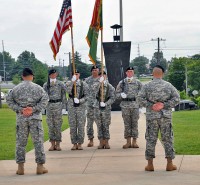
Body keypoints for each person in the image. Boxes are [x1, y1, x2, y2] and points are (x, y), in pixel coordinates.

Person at [137, 65, 180, 171]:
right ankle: (169, 164)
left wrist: (151, 105)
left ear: (153, 74)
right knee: (168, 139)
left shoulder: (147, 86)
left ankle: (150, 164)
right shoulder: (168, 85)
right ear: (163, 74)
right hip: (165, 117)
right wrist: (164, 105)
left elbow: (139, 98)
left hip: (152, 117)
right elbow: (177, 98)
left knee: (151, 139)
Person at [6, 68, 48, 175]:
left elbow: (9, 100)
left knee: (20, 143)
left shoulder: (16, 89)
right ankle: (40, 166)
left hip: (21, 118)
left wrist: (20, 109)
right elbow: (45, 100)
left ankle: (20, 168)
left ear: (22, 76)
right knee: (38, 142)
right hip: (35, 118)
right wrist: (33, 109)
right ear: (32, 76)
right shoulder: (38, 88)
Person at [116, 67, 143, 149]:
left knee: (134, 123)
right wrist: (121, 95)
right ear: (126, 73)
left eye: (131, 71)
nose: (130, 73)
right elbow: (116, 94)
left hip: (135, 105)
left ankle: (134, 142)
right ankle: (128, 142)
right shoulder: (122, 83)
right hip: (125, 105)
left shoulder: (138, 82)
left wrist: (140, 105)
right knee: (127, 124)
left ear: (133, 73)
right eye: (128, 71)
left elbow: (142, 94)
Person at [43, 69, 67, 151]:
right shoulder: (46, 84)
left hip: (58, 105)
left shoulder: (60, 84)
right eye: (51, 74)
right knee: (50, 126)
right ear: (49, 75)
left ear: (56, 74)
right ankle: (52, 144)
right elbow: (44, 97)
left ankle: (58, 144)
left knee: (58, 126)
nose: (53, 75)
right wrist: (44, 107)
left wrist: (64, 107)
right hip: (49, 106)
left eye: (54, 73)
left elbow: (64, 95)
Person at [66, 70, 89, 150]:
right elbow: (68, 91)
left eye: (77, 74)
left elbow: (87, 96)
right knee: (72, 126)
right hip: (71, 107)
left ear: (79, 75)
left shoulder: (84, 84)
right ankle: (74, 143)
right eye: (74, 74)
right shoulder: (69, 83)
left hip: (81, 107)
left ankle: (80, 143)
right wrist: (72, 82)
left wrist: (80, 100)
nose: (76, 75)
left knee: (81, 126)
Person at [94, 71, 115, 149]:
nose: (102, 76)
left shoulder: (110, 87)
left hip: (106, 108)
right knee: (99, 125)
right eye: (100, 75)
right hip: (97, 108)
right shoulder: (95, 85)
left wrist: (106, 103)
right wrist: (99, 83)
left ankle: (106, 142)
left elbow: (113, 97)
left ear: (106, 76)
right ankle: (101, 142)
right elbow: (92, 93)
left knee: (106, 125)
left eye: (103, 75)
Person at [85, 65, 100, 147]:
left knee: (100, 123)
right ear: (91, 71)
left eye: (96, 70)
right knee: (90, 124)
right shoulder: (87, 80)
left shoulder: (102, 79)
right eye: (93, 70)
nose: (95, 71)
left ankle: (101, 140)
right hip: (90, 105)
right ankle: (91, 140)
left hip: (98, 105)